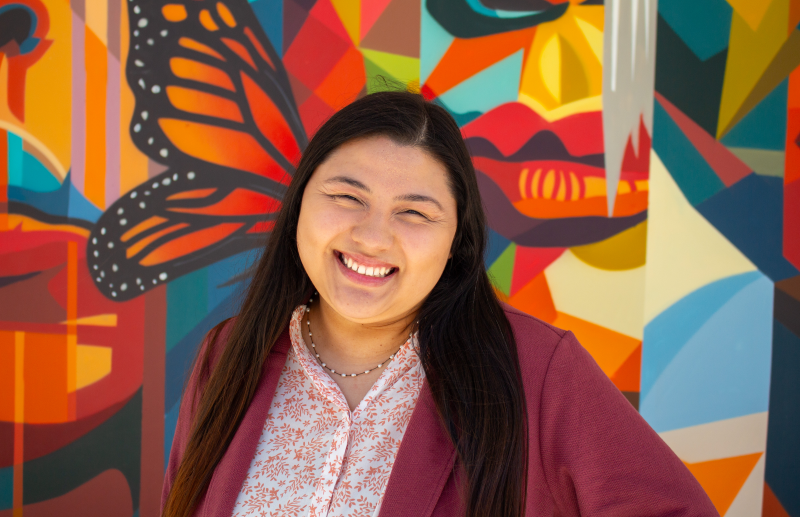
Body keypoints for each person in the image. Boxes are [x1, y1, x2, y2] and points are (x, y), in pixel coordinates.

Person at [161, 91, 718, 517]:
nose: (372, 238)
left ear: (456, 241)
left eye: (415, 213)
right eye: (347, 196)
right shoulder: (228, 353)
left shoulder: (536, 369)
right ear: (300, 204)